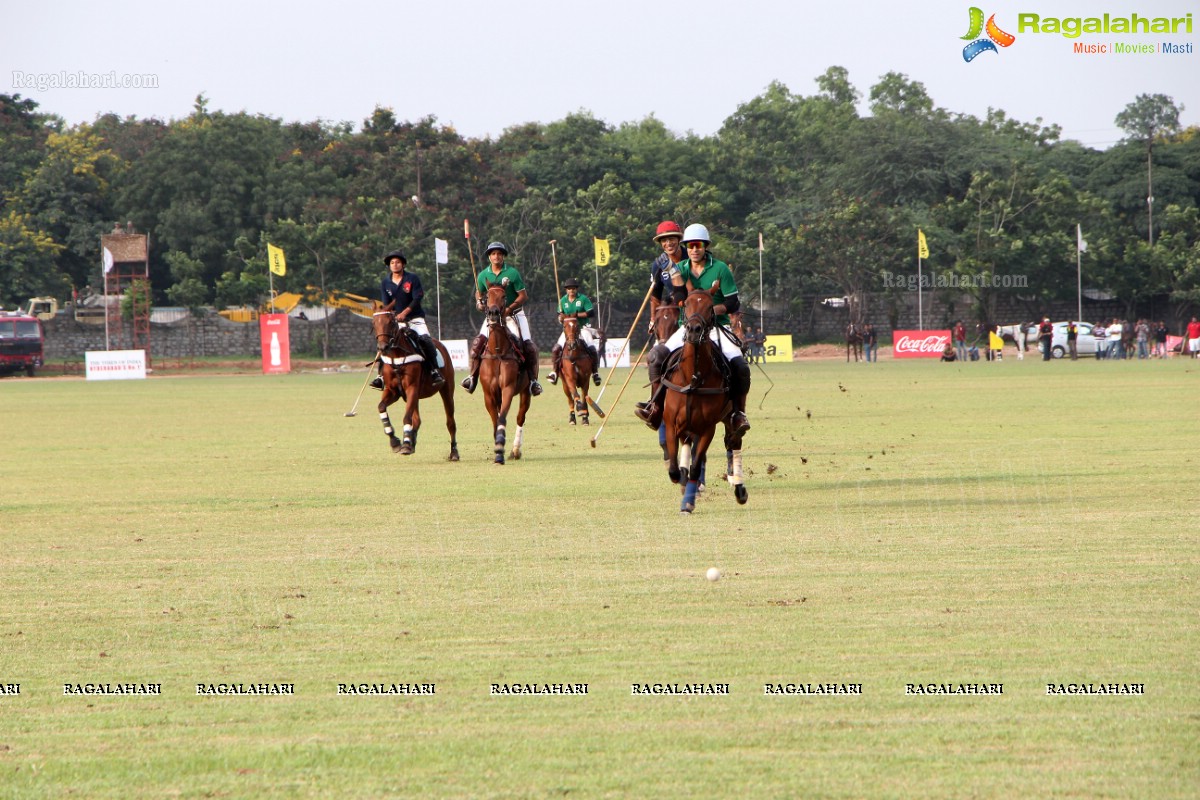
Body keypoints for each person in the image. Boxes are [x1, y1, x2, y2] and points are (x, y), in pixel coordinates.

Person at [634, 223, 751, 435]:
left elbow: (733, 302)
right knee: (656, 356)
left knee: (740, 366)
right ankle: (655, 405)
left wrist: (711, 310)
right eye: (690, 246)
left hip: (717, 327)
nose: (694, 249)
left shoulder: (720, 268)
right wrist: (672, 272)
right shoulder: (682, 268)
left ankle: (737, 414)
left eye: (698, 245)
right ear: (685, 247)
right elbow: (679, 297)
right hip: (687, 327)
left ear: (705, 246)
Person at [460, 241, 543, 396]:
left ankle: (532, 381)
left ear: (503, 256)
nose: (496, 256)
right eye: (493, 254)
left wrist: (510, 309)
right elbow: (480, 292)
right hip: (493, 316)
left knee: (528, 346)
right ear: (489, 257)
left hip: (515, 315)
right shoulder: (484, 274)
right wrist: (479, 301)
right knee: (478, 343)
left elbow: (523, 296)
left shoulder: (512, 273)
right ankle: (472, 377)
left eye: (499, 253)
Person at [371, 249, 443, 390]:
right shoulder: (385, 282)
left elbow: (417, 298)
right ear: (389, 266)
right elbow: (387, 304)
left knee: (425, 339)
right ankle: (380, 376)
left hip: (415, 318)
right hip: (396, 320)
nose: (395, 265)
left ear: (403, 264)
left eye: (398, 262)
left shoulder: (412, 278)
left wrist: (404, 312)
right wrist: (390, 315)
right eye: (392, 263)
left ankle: (435, 371)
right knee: (384, 341)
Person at [547, 277, 602, 387]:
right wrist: (560, 318)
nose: (571, 290)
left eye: (573, 288)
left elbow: (590, 313)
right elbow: (560, 315)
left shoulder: (583, 299)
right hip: (569, 331)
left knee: (592, 349)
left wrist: (576, 315)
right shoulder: (562, 301)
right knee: (556, 349)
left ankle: (595, 373)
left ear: (576, 289)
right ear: (566, 290)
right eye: (569, 289)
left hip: (583, 328)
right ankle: (554, 372)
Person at [648, 220, 689, 332]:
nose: (668, 243)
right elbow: (655, 295)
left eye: (671, 239)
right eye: (664, 240)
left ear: (679, 240)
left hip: (694, 305)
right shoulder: (658, 264)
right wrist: (653, 319)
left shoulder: (690, 257)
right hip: (674, 309)